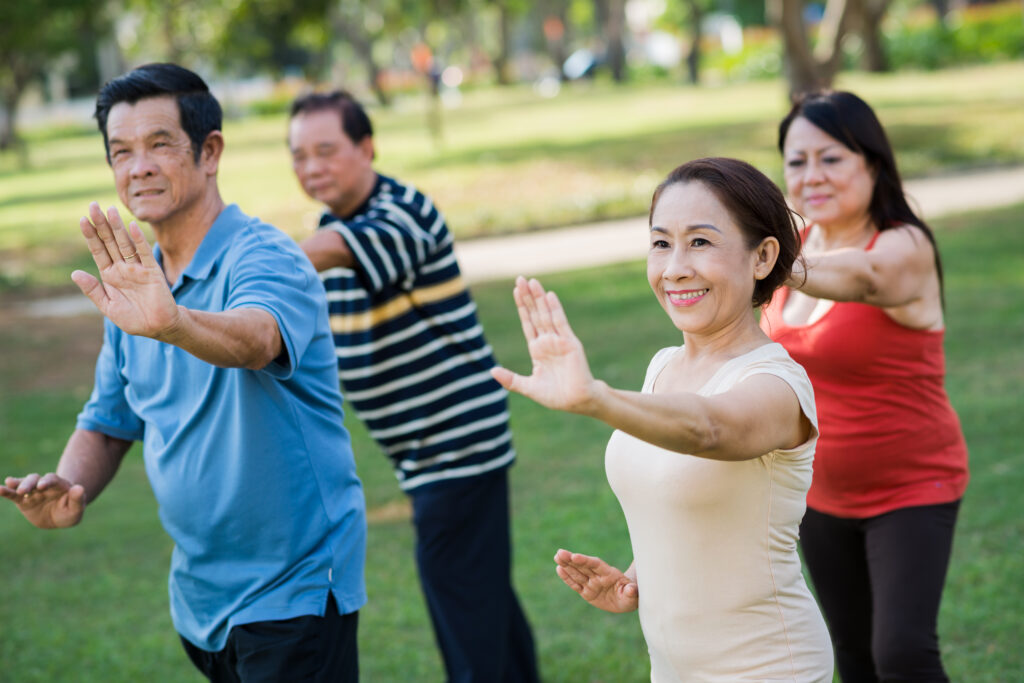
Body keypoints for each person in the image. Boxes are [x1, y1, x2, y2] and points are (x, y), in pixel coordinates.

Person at [0, 64, 367, 682]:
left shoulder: (266, 254)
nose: (137, 166)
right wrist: (68, 484)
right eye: (121, 152)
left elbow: (257, 338)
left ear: (211, 152)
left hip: (293, 587)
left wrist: (174, 323)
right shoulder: (136, 286)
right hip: (202, 599)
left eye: (159, 144)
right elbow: (110, 422)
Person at [492, 157, 833, 681]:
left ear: (762, 257)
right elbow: (685, 501)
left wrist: (595, 399)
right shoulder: (662, 367)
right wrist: (636, 576)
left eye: (700, 242)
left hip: (768, 665)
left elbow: (709, 429)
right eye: (660, 243)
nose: (674, 267)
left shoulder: (778, 386)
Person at [287, 90, 539, 683]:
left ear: (366, 146)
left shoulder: (401, 211)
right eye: (298, 156)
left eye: (326, 150)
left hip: (455, 444)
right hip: (425, 453)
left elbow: (329, 253)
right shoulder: (331, 222)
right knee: (483, 602)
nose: (311, 166)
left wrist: (240, 264)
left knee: (464, 608)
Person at [761, 90, 970, 681]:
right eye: (797, 161)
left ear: (872, 163)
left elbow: (863, 277)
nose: (811, 176)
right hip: (820, 492)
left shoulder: (904, 247)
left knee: (901, 653)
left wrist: (761, 259)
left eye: (832, 158)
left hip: (912, 485)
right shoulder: (795, 252)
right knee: (850, 654)